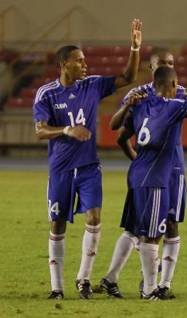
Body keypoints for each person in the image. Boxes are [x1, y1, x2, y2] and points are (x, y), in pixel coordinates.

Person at [32, 19, 142, 300]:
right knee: (57, 224)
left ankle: (83, 278)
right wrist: (67, 130)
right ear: (64, 64)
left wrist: (134, 47)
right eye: (79, 61)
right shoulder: (47, 93)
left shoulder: (92, 85)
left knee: (94, 218)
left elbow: (128, 77)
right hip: (60, 169)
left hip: (89, 166)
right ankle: (57, 288)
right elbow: (40, 130)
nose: (85, 65)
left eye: (85, 60)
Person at [99, 50, 187, 299]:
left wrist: (137, 161)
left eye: (171, 63)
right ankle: (150, 287)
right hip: (154, 172)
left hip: (170, 172)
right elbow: (119, 132)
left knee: (162, 226)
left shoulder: (173, 95)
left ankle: (161, 284)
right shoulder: (143, 97)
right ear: (150, 68)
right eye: (162, 64)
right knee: (149, 231)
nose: (167, 66)